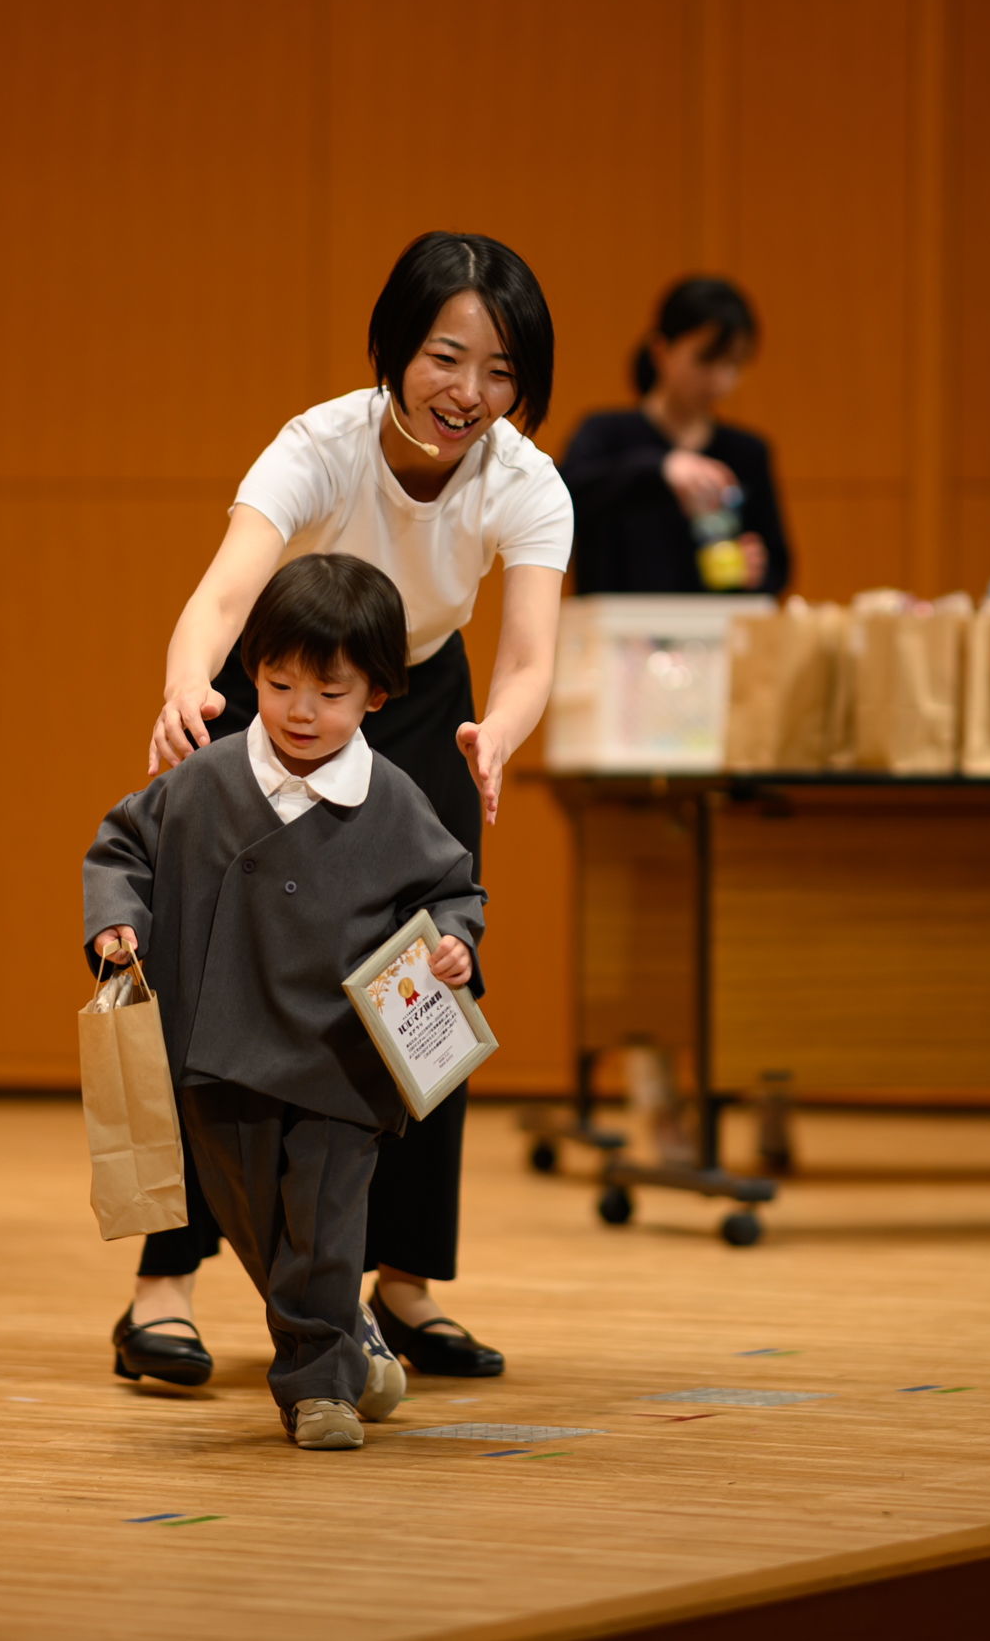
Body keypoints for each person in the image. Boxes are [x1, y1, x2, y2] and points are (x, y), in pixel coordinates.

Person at [111, 231, 570, 1390]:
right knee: (205, 972)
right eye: (445, 356)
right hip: (283, 699)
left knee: (435, 974)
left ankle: (397, 1278)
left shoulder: (526, 481)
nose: (469, 392)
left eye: (501, 370)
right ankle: (162, 1283)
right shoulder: (316, 444)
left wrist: (495, 739)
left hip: (425, 710)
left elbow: (526, 657)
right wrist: (186, 684)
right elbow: (224, 587)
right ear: (394, 348)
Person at [86, 555, 486, 1450]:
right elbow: (119, 850)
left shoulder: (393, 799)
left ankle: (320, 1390)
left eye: (332, 693)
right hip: (216, 1053)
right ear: (251, 674)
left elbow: (453, 887)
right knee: (259, 1226)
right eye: (279, 684)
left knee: (329, 1218)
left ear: (378, 696)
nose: (303, 711)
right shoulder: (204, 779)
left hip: (343, 1060)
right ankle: (344, 1339)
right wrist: (116, 926)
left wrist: (456, 940)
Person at [561, 276, 791, 596]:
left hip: (716, 637)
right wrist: (659, 468)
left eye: (734, 364)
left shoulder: (747, 452)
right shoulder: (605, 434)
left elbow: (777, 568)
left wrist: (756, 572)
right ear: (662, 350)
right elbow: (563, 499)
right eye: (706, 359)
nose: (720, 381)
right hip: (616, 637)